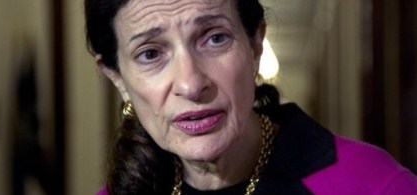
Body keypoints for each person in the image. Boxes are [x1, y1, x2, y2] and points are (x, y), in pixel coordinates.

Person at [84, 0, 417, 194]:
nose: (190, 84)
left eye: (214, 38)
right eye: (150, 54)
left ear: (255, 44)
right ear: (117, 78)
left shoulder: (377, 185)